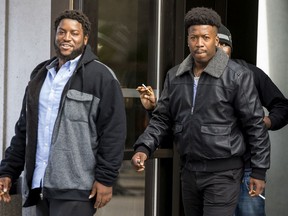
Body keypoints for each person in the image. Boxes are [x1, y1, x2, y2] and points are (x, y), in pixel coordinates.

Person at [131, 7, 270, 216]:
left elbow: (254, 125)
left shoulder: (237, 76)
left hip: (224, 173)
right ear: (187, 40)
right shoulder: (175, 75)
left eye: (205, 37)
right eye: (194, 37)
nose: (199, 43)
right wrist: (144, 147)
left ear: (216, 40)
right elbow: (162, 118)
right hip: (190, 172)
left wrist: (259, 171)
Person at [0, 9, 126, 216]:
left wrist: (105, 179)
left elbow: (113, 132)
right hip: (36, 186)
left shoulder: (101, 77)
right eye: (61, 32)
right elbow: (24, 130)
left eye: (74, 33)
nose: (66, 38)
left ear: (85, 39)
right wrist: (8, 171)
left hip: (76, 189)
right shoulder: (40, 76)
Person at [217, 24, 288, 216]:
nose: (220, 49)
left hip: (247, 169)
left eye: (224, 44)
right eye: (216, 43)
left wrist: (267, 121)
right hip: (215, 172)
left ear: (231, 47)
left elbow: (282, 106)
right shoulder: (197, 77)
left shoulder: (250, 73)